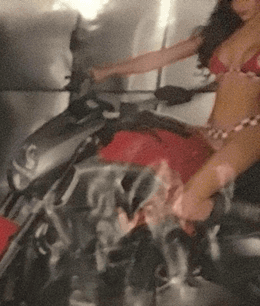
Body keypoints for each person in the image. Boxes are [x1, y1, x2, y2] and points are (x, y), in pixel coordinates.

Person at [91, 0, 260, 224]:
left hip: (249, 134)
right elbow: (162, 56)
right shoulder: (223, 32)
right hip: (210, 133)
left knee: (187, 205)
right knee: (131, 148)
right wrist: (108, 71)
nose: (237, 6)